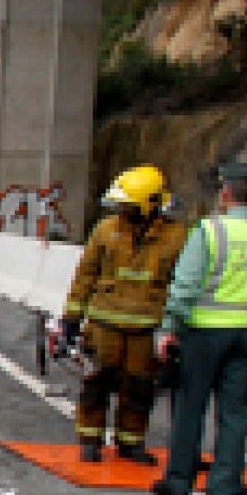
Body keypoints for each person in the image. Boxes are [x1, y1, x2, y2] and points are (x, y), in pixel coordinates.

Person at [152, 162, 247, 495]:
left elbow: (186, 286)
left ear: (226, 193)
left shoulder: (210, 230)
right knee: (235, 413)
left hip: (204, 332)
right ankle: (223, 493)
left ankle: (178, 482)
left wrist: (170, 328)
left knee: (191, 407)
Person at [61, 165, 187, 464]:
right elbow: (85, 275)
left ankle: (130, 443)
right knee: (96, 382)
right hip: (104, 323)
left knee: (140, 388)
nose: (122, 209)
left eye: (128, 204)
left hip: (146, 328)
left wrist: (176, 329)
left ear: (149, 204)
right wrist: (71, 318)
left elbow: (183, 283)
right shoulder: (106, 229)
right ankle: (90, 440)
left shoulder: (176, 236)